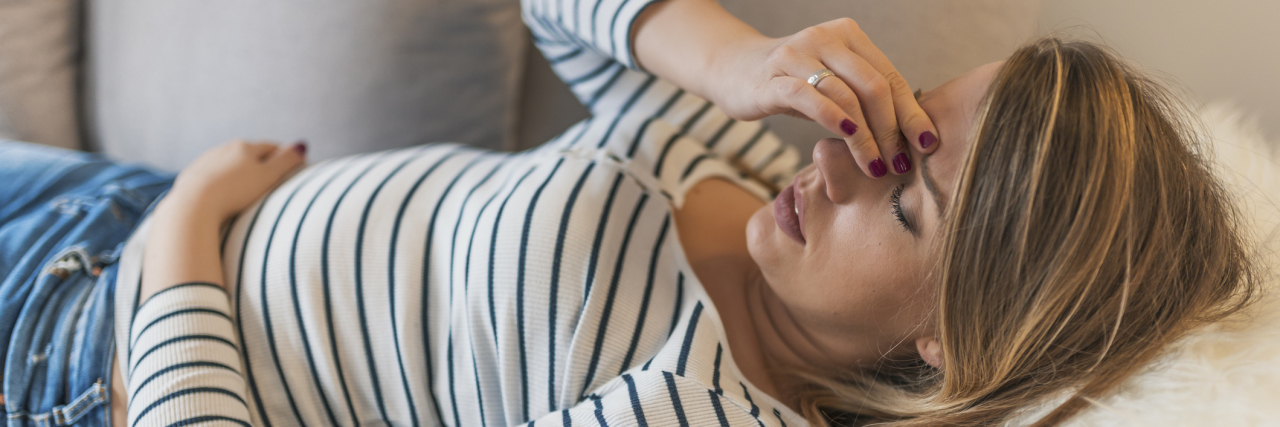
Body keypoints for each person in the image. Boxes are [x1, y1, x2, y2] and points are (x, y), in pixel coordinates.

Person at [0, 0, 1258, 426]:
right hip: (93, 208)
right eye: (897, 117)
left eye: (908, 198)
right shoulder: (722, 152)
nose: (840, 160)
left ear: (954, 344)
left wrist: (189, 234)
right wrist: (739, 63)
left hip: (73, 359)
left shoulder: (688, 406)